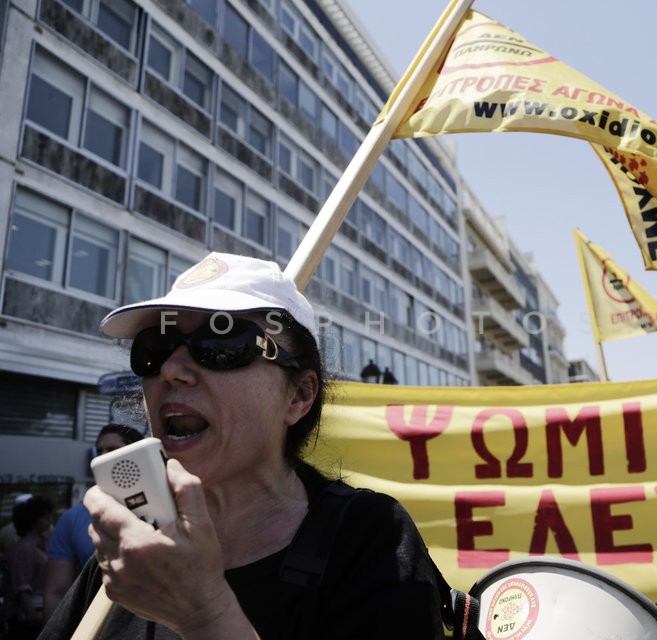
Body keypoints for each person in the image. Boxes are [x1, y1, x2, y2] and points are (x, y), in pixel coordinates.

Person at [40, 252, 445, 639]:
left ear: (298, 396)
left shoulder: (369, 538)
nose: (172, 370)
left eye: (223, 346)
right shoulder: (133, 544)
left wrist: (204, 613)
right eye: (155, 348)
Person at [42, 425, 144, 622]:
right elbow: (55, 592)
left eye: (113, 450)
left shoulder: (162, 508)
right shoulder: (72, 518)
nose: (102, 457)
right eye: (99, 451)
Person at [5, 496, 54, 640]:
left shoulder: (43, 542)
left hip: (38, 610)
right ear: (34, 521)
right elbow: (21, 584)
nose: (50, 520)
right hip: (28, 615)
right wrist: (31, 611)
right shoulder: (25, 548)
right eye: (45, 518)